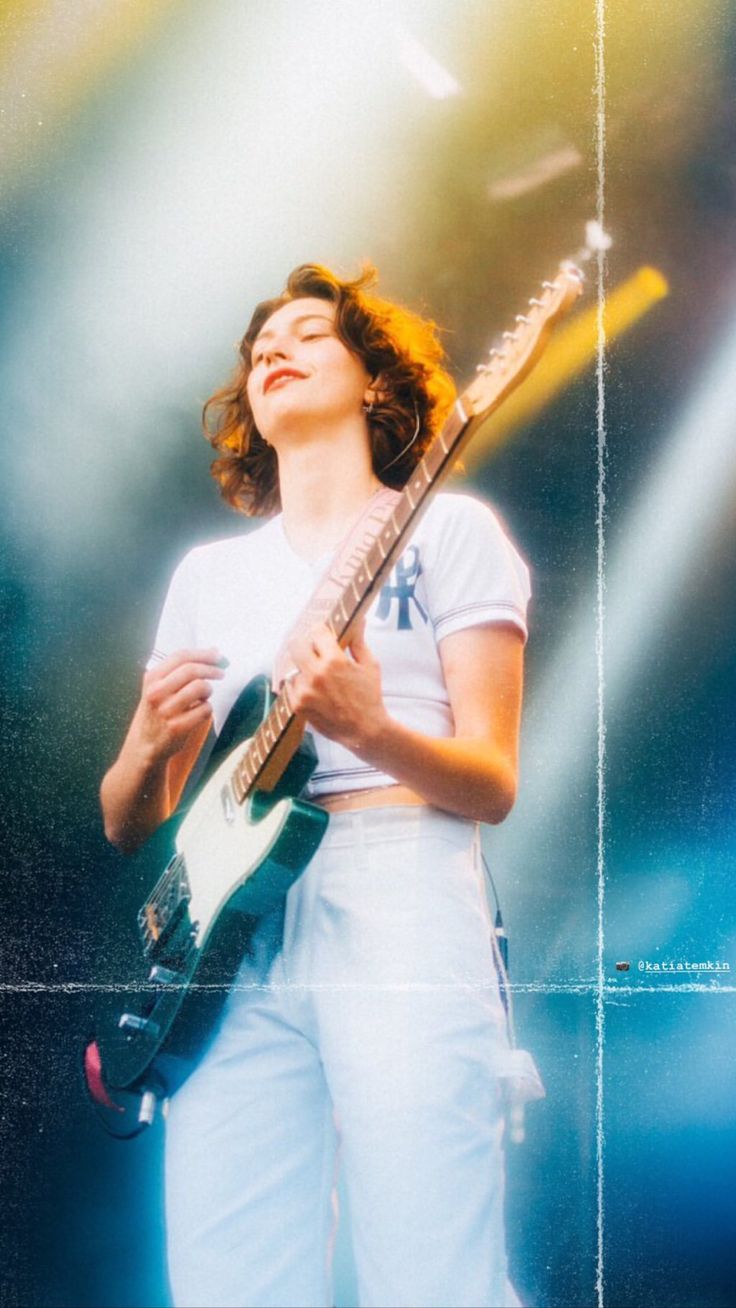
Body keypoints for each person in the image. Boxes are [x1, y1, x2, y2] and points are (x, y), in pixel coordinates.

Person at [100, 264, 541, 1308]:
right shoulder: (208, 575)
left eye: (308, 334)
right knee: (225, 1274)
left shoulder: (451, 533)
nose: (273, 353)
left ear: (375, 385)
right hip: (230, 934)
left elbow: (492, 782)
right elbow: (135, 825)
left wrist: (371, 730)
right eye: (259, 350)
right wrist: (140, 744)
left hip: (397, 891)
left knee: (429, 1263)